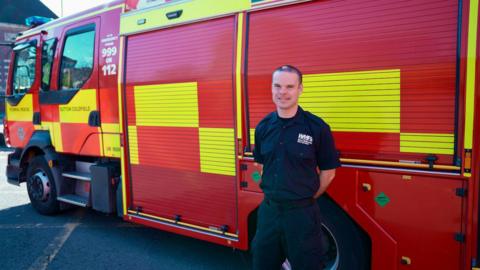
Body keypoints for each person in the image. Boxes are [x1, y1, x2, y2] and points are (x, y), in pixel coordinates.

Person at [252, 65, 340, 269]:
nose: (283, 92)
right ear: (271, 88)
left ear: (300, 89)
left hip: (302, 215)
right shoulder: (263, 126)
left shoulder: (317, 128)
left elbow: (328, 174)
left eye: (289, 86)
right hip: (269, 213)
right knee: (262, 264)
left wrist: (306, 197)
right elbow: (260, 165)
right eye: (278, 86)